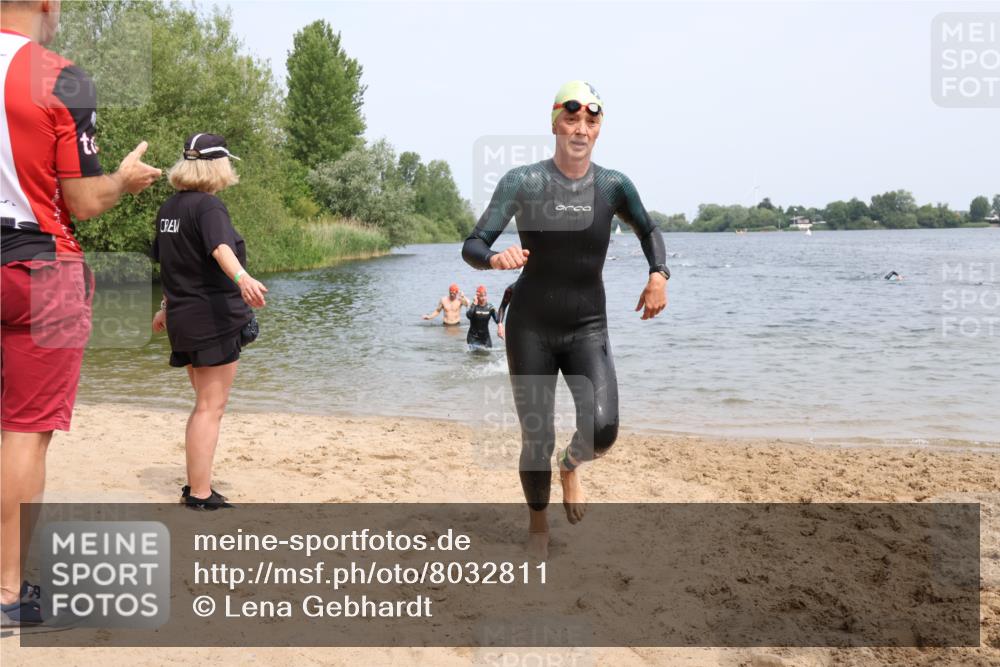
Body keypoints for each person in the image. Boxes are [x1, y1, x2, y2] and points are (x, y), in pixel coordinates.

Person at [0, 0, 161, 627]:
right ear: (45, 4)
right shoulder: (59, 76)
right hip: (42, 269)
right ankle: (10, 592)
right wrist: (121, 180)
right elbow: (82, 200)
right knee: (23, 433)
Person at [462, 81, 669, 559]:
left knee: (604, 430)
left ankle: (571, 464)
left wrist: (658, 273)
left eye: (591, 120)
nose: (580, 128)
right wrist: (494, 260)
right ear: (554, 123)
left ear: (599, 128)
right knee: (537, 436)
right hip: (530, 324)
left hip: (587, 325)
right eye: (571, 118)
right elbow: (473, 244)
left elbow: (650, 228)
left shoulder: (612, 185)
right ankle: (538, 525)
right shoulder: (524, 181)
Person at [150, 133, 267, 511]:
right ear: (217, 166)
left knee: (202, 404)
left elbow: (172, 265)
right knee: (209, 408)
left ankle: (195, 486)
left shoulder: (169, 208)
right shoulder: (209, 207)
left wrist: (166, 306)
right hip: (211, 318)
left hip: (184, 318)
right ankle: (200, 494)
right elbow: (220, 249)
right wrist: (243, 279)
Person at [466, 285, 504, 350]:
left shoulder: (490, 307)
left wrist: (500, 326)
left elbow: (497, 319)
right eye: (481, 296)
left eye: (484, 296)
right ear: (477, 297)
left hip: (485, 338)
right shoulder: (473, 306)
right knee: (475, 357)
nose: (483, 298)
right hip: (473, 337)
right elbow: (469, 316)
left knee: (488, 355)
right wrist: (474, 304)